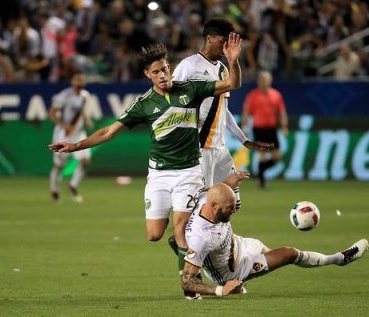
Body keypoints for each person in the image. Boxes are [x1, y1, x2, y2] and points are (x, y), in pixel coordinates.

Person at [49, 38, 243, 299]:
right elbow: (108, 131)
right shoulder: (143, 104)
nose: (162, 75)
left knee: (181, 225)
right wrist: (75, 146)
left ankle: (189, 284)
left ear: (170, 68)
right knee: (153, 234)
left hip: (188, 172)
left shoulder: (191, 90)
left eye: (165, 69)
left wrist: (232, 61)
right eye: (156, 71)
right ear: (147, 74)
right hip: (159, 175)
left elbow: (232, 84)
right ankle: (182, 248)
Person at [181, 183, 369, 297]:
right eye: (230, 207)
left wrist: (233, 181)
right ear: (213, 206)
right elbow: (187, 282)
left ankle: (243, 283)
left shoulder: (205, 198)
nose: (235, 210)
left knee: (266, 250)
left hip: (236, 244)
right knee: (289, 253)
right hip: (231, 270)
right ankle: (339, 259)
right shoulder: (201, 238)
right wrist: (221, 290)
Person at [172, 18, 273, 210]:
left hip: (219, 148)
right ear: (209, 38)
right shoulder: (189, 66)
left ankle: (221, 239)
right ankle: (185, 239)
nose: (227, 46)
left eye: (230, 42)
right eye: (223, 41)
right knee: (201, 206)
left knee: (231, 205)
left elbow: (223, 110)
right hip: (198, 148)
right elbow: (170, 102)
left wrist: (244, 140)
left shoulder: (223, 69)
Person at [48, 73, 92, 203]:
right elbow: (52, 111)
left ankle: (73, 185)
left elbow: (81, 110)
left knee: (85, 160)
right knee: (59, 166)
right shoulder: (64, 95)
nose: (79, 86)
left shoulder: (85, 95)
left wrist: (87, 119)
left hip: (78, 133)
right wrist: (63, 125)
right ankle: (54, 190)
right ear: (73, 83)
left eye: (81, 84)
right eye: (78, 83)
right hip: (64, 134)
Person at [241, 71, 289, 189]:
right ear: (258, 81)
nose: (264, 81)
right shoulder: (252, 95)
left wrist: (284, 126)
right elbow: (246, 113)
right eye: (262, 79)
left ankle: (260, 173)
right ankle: (262, 182)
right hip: (259, 129)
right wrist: (244, 126)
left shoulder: (276, 95)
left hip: (271, 130)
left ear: (270, 81)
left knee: (277, 156)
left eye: (266, 79)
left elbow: (281, 112)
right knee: (262, 156)